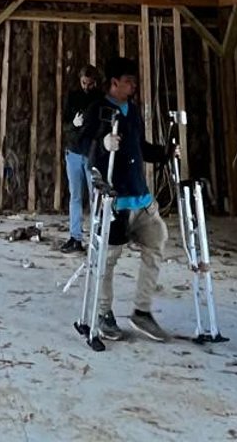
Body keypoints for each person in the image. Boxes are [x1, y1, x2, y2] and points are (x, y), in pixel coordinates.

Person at [80, 56, 173, 341]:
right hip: (114, 202)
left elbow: (139, 147)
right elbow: (81, 142)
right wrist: (102, 144)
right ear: (114, 83)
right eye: (129, 81)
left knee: (157, 241)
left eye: (135, 81)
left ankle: (141, 312)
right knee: (108, 260)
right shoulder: (98, 108)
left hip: (141, 199)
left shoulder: (132, 110)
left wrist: (165, 153)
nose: (134, 86)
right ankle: (104, 314)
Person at [61, 65, 103, 254]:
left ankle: (95, 240)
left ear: (95, 82)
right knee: (75, 197)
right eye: (84, 83)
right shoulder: (73, 97)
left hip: (91, 154)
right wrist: (73, 124)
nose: (86, 86)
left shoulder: (101, 100)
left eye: (90, 84)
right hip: (73, 152)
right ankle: (75, 238)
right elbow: (64, 125)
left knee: (96, 198)